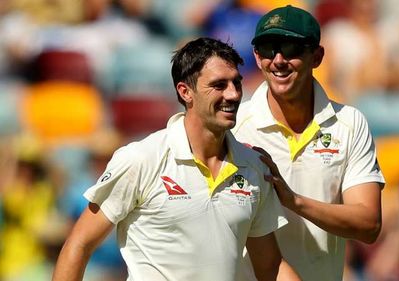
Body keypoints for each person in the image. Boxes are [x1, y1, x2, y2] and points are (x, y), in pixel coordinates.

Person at [52, 37, 297, 281]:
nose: (233, 95)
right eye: (219, 85)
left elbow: (271, 268)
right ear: (185, 92)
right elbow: (79, 245)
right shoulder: (141, 159)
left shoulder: (254, 165)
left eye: (236, 83)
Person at [232, 5, 385, 280]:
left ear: (317, 56)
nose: (278, 60)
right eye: (268, 48)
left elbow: (369, 224)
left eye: (291, 48)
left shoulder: (349, 124)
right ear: (256, 55)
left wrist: (295, 202)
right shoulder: (233, 125)